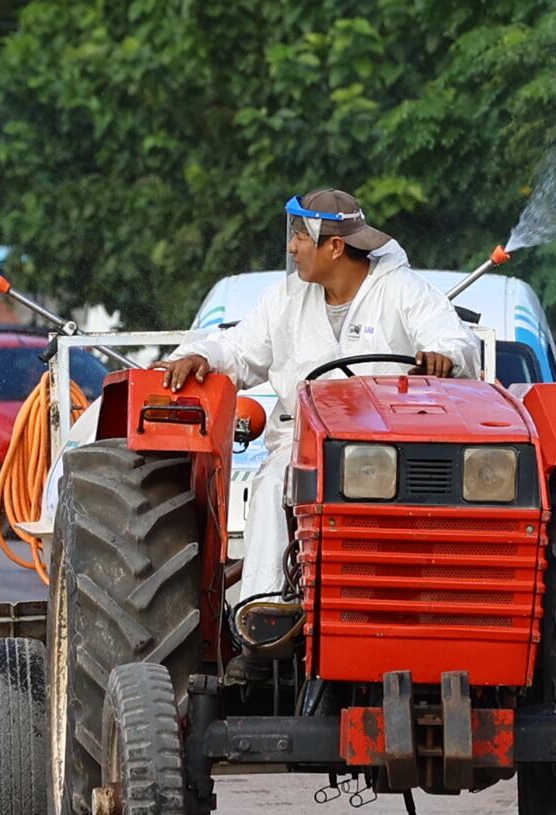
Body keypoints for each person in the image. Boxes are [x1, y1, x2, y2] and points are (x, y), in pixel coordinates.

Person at [157, 190, 480, 681]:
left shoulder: (402, 291)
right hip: (301, 445)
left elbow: (452, 339)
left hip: (385, 455)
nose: (292, 249)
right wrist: (203, 354)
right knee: (270, 489)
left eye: (301, 238)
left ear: (335, 247)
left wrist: (443, 355)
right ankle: (264, 630)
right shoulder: (287, 300)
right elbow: (240, 350)